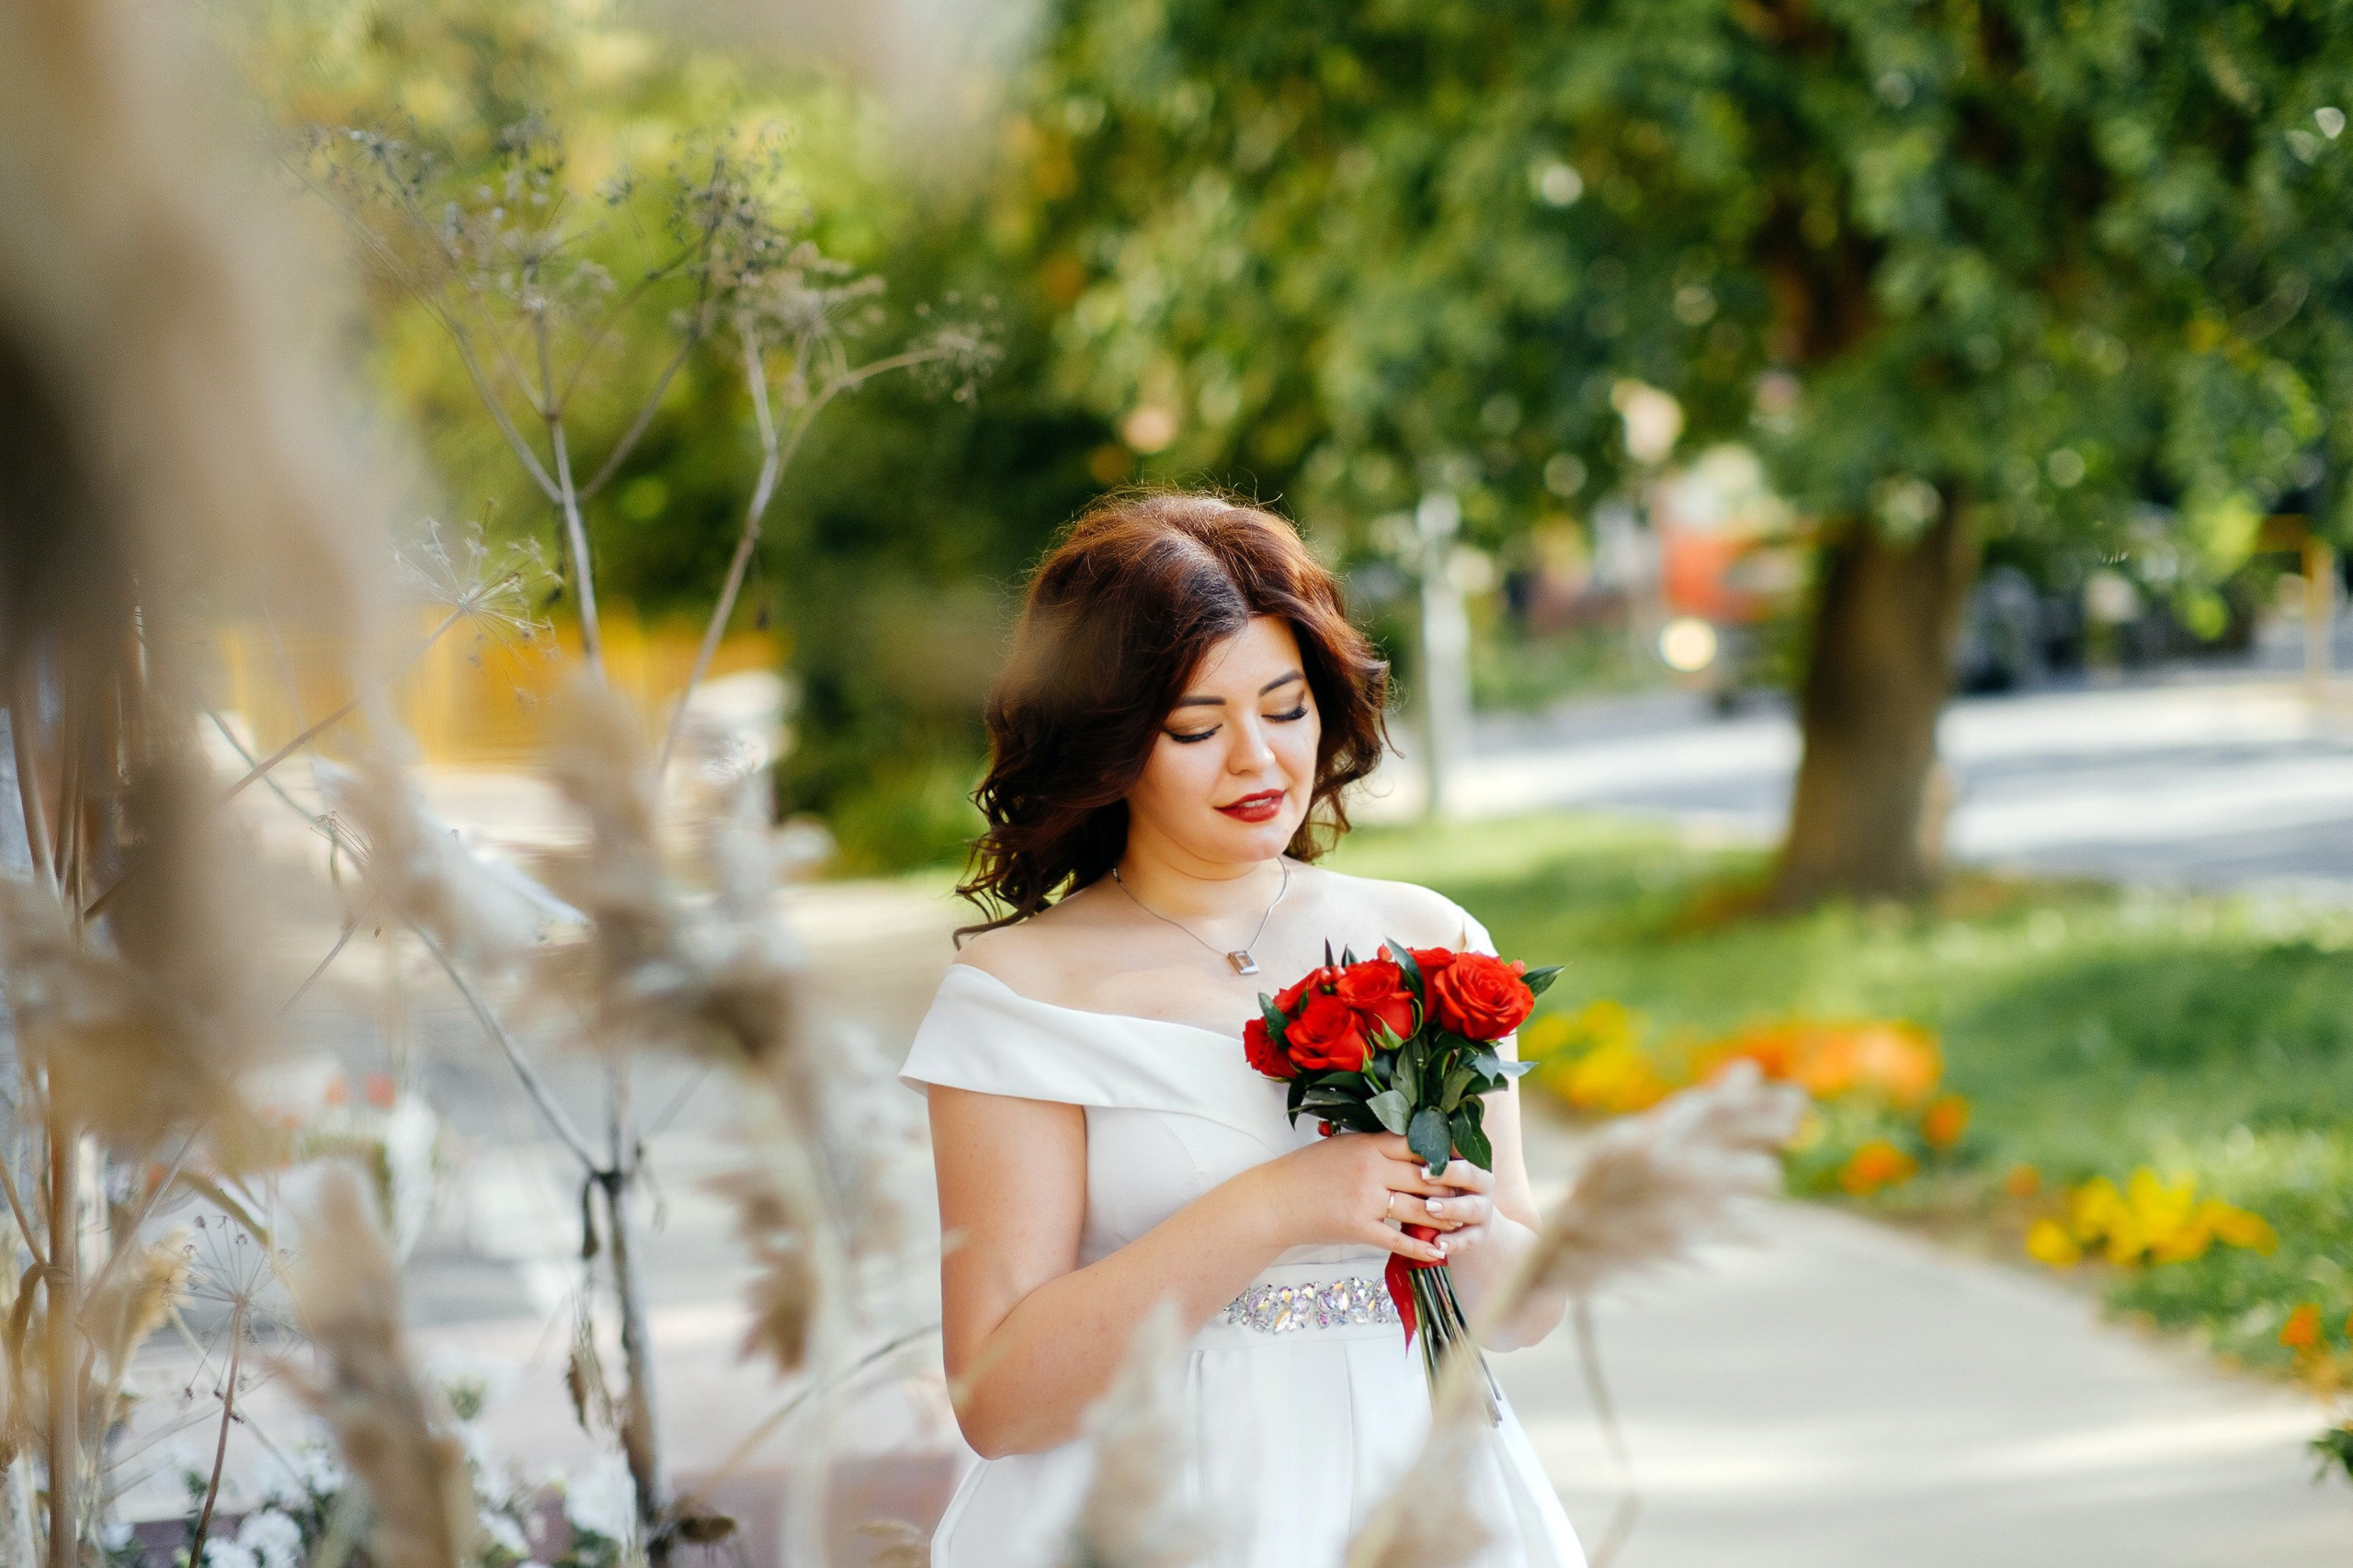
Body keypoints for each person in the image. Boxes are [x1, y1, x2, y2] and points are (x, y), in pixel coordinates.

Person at [902, 492, 1583, 1566]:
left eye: (1285, 706)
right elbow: (998, 1398)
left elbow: (1525, 1308)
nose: (1257, 761)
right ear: (1111, 741)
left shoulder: (1428, 937)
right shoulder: (1019, 993)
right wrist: (1278, 1202)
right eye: (1195, 727)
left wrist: (1453, 1213)